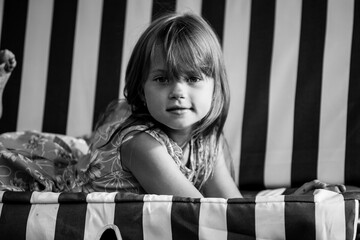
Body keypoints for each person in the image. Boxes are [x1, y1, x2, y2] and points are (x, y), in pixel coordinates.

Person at [0, 13, 345, 197]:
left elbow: (232, 206)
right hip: (51, 173)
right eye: (162, 79)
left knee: (98, 135)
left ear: (216, 86)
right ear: (141, 87)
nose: (178, 92)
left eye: (193, 78)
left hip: (92, 149)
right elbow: (200, 211)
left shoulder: (207, 140)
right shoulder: (142, 145)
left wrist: (289, 200)